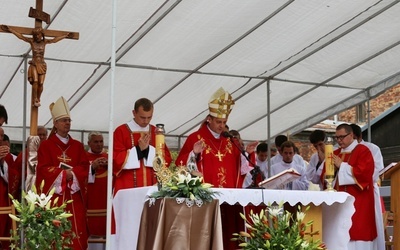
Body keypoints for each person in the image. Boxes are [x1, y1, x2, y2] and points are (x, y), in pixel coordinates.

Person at [175, 87, 257, 249]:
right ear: (209, 120)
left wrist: (245, 153)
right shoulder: (195, 138)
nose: (222, 126)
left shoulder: (230, 141)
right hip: (206, 202)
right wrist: (194, 153)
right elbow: (180, 165)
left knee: (230, 238)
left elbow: (240, 169)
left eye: (224, 122)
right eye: (218, 122)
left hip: (229, 201)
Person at [35, 97, 89, 250]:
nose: (67, 123)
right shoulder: (46, 145)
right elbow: (43, 169)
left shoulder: (77, 146)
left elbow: (84, 167)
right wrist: (64, 175)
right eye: (64, 120)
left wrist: (73, 174)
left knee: (76, 233)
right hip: (55, 197)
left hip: (74, 196)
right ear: (55, 124)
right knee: (55, 236)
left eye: (69, 121)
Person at [330, 123, 377, 249]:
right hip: (339, 203)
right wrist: (332, 170)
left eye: (342, 137)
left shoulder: (363, 151)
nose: (339, 141)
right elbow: (327, 178)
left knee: (357, 233)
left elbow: (364, 174)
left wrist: (342, 165)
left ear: (351, 135)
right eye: (337, 138)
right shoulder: (335, 153)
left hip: (359, 202)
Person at [113, 97, 172, 194]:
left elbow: (166, 158)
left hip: (152, 184)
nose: (146, 121)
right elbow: (116, 159)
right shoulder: (121, 131)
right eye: (142, 117)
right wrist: (138, 150)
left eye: (149, 117)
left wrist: (147, 150)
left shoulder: (156, 132)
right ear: (134, 113)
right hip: (128, 185)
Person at [1, 25, 71, 107]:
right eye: (35, 35)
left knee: (41, 83)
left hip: (42, 65)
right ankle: (35, 99)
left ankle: (38, 97)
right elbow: (21, 37)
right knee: (35, 81)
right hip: (34, 64)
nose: (37, 36)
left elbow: (54, 40)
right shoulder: (32, 42)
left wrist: (64, 36)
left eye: (38, 35)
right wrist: (11, 30)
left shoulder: (44, 42)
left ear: (41, 35)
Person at [350, 123, 384, 249]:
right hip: (350, 191)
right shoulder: (345, 150)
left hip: (367, 190)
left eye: (353, 138)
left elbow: (377, 170)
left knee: (368, 223)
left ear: (358, 137)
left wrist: (358, 177)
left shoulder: (372, 148)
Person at [12, 126, 48, 198]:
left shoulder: (49, 153)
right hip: (27, 188)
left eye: (44, 135)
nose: (41, 137)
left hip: (45, 189)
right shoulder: (24, 154)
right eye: (39, 135)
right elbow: (15, 172)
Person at [86, 131, 108, 237]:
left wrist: (110, 166)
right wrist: (92, 168)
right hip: (91, 200)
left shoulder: (108, 157)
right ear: (89, 143)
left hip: (106, 199)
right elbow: (79, 176)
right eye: (96, 142)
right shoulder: (83, 157)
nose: (99, 144)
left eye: (101, 141)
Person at [0, 128, 19, 249]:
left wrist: (1, 162)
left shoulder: (5, 155)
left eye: (2, 136)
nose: (0, 138)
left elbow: (11, 176)